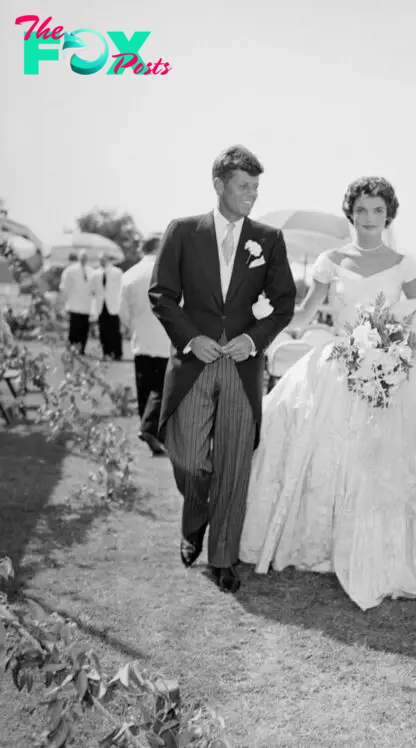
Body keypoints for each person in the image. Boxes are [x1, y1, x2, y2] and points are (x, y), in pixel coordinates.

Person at [239, 177, 416, 611]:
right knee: (315, 443)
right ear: (351, 212)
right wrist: (263, 321)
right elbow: (308, 311)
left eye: (378, 212)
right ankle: (319, 541)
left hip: (389, 369)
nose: (370, 219)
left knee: (387, 459)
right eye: (363, 210)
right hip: (337, 364)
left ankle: (387, 550)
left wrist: (392, 346)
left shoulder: (405, 265)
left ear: (389, 216)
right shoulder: (331, 260)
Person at [148, 145, 297, 593]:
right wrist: (193, 338)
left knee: (234, 463)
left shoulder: (268, 239)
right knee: (190, 458)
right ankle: (195, 518)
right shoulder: (181, 231)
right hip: (194, 362)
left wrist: (253, 340)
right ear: (219, 185)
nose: (251, 194)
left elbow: (284, 303)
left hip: (242, 365)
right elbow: (162, 295)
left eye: (255, 187)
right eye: (242, 186)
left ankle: (224, 557)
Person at [119, 235, 171, 456]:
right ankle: (150, 430)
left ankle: (147, 428)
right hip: (165, 337)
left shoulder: (129, 275)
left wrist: (134, 327)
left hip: (140, 339)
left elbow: (122, 312)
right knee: (162, 386)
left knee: (144, 387)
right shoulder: (170, 272)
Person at [59, 250, 93, 354]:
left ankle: (82, 349)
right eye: (82, 257)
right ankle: (72, 348)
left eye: (85, 257)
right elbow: (64, 287)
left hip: (86, 306)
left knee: (84, 329)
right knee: (74, 328)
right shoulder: (70, 270)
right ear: (79, 257)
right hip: (74, 305)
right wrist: (63, 302)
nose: (84, 259)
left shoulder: (91, 271)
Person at [91, 252, 123, 360]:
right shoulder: (95, 273)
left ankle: (117, 353)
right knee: (103, 330)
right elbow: (93, 289)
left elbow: (121, 288)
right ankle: (106, 352)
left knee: (114, 330)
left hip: (113, 305)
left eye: (104, 259)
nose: (102, 261)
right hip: (101, 305)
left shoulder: (117, 272)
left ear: (108, 260)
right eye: (100, 260)